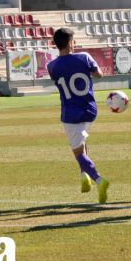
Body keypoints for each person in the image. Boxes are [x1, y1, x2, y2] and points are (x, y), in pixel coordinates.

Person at [47, 28, 109, 204]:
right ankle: (85, 177)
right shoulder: (85, 57)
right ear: (70, 43)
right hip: (90, 110)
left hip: (71, 114)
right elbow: (99, 75)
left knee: (78, 153)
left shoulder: (51, 66)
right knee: (81, 144)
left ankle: (99, 180)